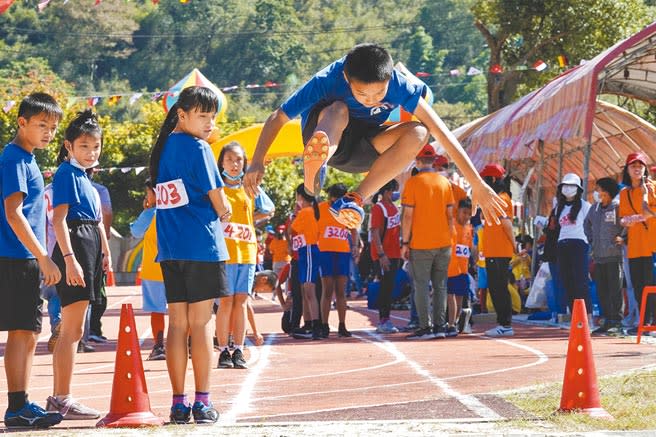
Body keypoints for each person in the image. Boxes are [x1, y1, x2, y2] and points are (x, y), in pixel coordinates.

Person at [244, 43, 506, 230]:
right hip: (328, 133)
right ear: (346, 77)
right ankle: (316, 168)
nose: (370, 100)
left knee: (420, 131)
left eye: (378, 94)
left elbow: (442, 131)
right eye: (362, 94)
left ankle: (355, 198)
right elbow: (278, 117)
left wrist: (478, 184)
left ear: (389, 78)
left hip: (365, 148)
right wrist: (256, 161)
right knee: (339, 108)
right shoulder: (328, 78)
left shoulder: (402, 85)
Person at [149, 86, 231, 424]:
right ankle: (203, 402)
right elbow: (220, 201)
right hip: (202, 246)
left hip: (170, 248)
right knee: (201, 325)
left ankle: (178, 404)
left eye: (212, 117)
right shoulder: (200, 148)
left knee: (176, 325)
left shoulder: (163, 147)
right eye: (202, 116)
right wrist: (225, 212)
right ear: (182, 115)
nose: (209, 123)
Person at [0, 93, 64, 429]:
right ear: (21, 122)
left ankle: (21, 402)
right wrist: (43, 257)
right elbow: (13, 214)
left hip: (23, 257)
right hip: (16, 257)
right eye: (41, 125)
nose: (48, 132)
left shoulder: (27, 158)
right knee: (20, 332)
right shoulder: (13, 159)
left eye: (53, 127)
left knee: (28, 333)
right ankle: (16, 407)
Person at [47, 109, 111, 420]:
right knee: (71, 330)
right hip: (74, 248)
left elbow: (95, 219)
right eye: (83, 146)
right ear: (69, 146)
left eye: (95, 146)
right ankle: (61, 398)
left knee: (76, 329)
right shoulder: (65, 173)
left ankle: (62, 396)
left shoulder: (85, 177)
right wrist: (70, 260)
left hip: (88, 248)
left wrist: (105, 250)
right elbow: (59, 220)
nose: (90, 152)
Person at [216, 141, 274, 369]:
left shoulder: (249, 187)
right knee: (225, 301)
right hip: (224, 253)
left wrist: (251, 222)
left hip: (247, 252)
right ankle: (223, 350)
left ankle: (238, 349)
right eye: (229, 159)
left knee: (241, 301)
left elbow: (268, 209)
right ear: (221, 162)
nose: (233, 164)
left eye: (238, 160)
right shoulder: (216, 187)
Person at [401, 144, 454, 340]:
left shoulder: (413, 183)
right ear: (433, 161)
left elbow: (407, 216)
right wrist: (449, 239)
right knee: (441, 286)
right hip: (443, 243)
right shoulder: (445, 183)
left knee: (421, 285)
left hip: (421, 244)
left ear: (418, 160)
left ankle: (425, 327)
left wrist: (405, 242)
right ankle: (440, 325)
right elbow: (450, 215)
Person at [619, 152, 656, 334]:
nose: (637, 169)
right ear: (627, 169)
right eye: (633, 166)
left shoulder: (652, 188)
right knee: (639, 285)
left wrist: (636, 216)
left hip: (652, 245)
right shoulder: (624, 193)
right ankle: (643, 322)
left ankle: (651, 322)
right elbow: (623, 219)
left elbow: (651, 213)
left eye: (640, 166)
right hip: (634, 247)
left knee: (652, 284)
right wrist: (631, 219)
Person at [130, 179, 167, 360]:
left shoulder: (150, 214)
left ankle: (159, 346)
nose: (146, 196)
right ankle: (188, 344)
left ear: (156, 192)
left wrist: (146, 210)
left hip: (153, 270)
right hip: (176, 268)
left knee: (157, 310)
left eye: (148, 192)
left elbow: (136, 232)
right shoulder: (174, 211)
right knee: (181, 310)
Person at [317, 184, 359, 338]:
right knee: (327, 290)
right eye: (336, 198)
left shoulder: (347, 209)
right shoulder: (320, 208)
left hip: (342, 252)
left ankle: (342, 325)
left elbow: (353, 228)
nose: (338, 201)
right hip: (325, 252)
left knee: (341, 291)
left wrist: (354, 245)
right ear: (331, 197)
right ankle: (324, 325)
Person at [584, 177, 624, 334]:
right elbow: (586, 224)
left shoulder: (618, 207)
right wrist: (591, 239)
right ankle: (607, 320)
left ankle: (617, 321)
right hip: (598, 257)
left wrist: (622, 237)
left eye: (599, 189)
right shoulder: (594, 209)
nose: (597, 192)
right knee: (602, 290)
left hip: (614, 256)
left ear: (608, 191)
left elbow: (626, 225)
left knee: (615, 289)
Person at [480, 163, 515, 337]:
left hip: (499, 251)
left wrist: (514, 244)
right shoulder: (498, 198)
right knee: (496, 287)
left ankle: (505, 324)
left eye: (485, 179)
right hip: (495, 250)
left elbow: (507, 224)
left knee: (498, 287)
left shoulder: (501, 199)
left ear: (493, 179)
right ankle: (503, 323)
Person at [555, 173, 592, 317]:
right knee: (567, 281)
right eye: (565, 185)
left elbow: (590, 225)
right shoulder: (559, 206)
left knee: (580, 281)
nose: (568, 188)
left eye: (572, 186)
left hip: (579, 243)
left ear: (578, 189)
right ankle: (574, 315)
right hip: (562, 244)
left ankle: (587, 315)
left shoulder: (585, 205)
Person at [290, 183, 323, 340]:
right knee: (305, 290)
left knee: (309, 289)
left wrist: (296, 214)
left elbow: (292, 229)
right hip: (305, 250)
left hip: (308, 250)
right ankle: (309, 323)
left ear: (300, 196)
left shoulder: (306, 212)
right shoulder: (310, 211)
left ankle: (316, 325)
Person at [370, 179, 401, 334]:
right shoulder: (379, 207)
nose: (396, 193)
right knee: (385, 287)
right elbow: (375, 231)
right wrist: (381, 254)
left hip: (395, 253)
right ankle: (383, 320)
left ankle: (386, 318)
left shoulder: (393, 207)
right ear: (387, 191)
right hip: (383, 255)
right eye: (394, 190)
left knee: (390, 287)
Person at [87, 177, 113, 344]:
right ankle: (92, 329)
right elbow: (106, 213)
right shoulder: (99, 190)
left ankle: (59, 326)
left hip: (67, 242)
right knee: (97, 290)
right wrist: (107, 236)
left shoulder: (56, 186)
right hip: (94, 242)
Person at [446, 198, 473, 337]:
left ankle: (455, 323)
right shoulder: (452, 226)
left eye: (469, 213)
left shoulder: (469, 228)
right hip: (451, 268)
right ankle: (450, 324)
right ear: (458, 211)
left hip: (463, 269)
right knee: (450, 296)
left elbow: (469, 248)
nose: (467, 216)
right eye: (464, 212)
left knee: (460, 297)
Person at [268, 224, 291, 300]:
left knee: (276, 279)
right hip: (286, 261)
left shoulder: (274, 241)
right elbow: (289, 251)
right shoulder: (287, 242)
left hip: (276, 262)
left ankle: (274, 295)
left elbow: (271, 251)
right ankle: (288, 294)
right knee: (288, 279)